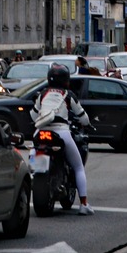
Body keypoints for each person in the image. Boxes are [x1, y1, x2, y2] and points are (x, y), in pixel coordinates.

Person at [33, 63, 94, 215]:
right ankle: (84, 204)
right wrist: (87, 124)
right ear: (66, 80)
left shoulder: (43, 93)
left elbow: (33, 115)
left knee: (35, 160)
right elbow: (83, 117)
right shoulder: (68, 95)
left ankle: (34, 170)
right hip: (61, 132)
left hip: (40, 132)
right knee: (78, 167)